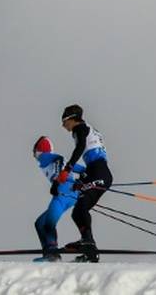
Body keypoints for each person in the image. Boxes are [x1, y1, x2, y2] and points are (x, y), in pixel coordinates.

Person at [58, 104, 112, 262]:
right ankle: (89, 249)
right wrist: (82, 180)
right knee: (78, 212)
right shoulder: (87, 128)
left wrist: (67, 168)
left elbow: (80, 147)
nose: (63, 126)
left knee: (80, 209)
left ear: (71, 119)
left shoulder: (79, 128)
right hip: (97, 171)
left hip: (99, 172)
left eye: (64, 121)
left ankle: (88, 242)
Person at [32, 136, 83, 262]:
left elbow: (58, 159)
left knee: (48, 224)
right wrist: (84, 180)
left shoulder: (45, 156)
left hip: (62, 192)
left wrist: (56, 181)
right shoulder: (64, 160)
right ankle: (48, 252)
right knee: (40, 223)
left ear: (38, 150)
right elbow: (83, 169)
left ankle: (52, 254)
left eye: (34, 152)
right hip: (72, 195)